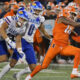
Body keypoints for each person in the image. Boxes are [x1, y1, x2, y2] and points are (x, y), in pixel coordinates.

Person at [25, 5, 80, 80]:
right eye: (72, 14)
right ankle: (29, 76)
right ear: (67, 13)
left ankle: (74, 72)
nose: (73, 16)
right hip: (55, 46)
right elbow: (74, 24)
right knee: (44, 65)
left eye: (74, 15)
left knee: (78, 51)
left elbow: (73, 35)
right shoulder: (61, 18)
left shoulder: (71, 24)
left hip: (65, 47)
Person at [0, 1, 52, 80]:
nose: (37, 12)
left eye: (39, 10)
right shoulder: (26, 14)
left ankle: (18, 74)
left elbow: (43, 31)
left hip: (29, 43)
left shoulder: (40, 19)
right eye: (36, 10)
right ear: (31, 8)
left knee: (33, 67)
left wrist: (51, 38)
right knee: (12, 63)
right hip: (21, 40)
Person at [0, 9, 28, 79]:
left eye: (24, 20)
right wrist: (9, 41)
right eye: (22, 18)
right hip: (2, 35)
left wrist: (20, 51)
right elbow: (2, 29)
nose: (22, 21)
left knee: (3, 58)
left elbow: (18, 40)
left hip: (2, 38)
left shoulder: (22, 28)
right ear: (18, 16)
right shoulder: (10, 19)